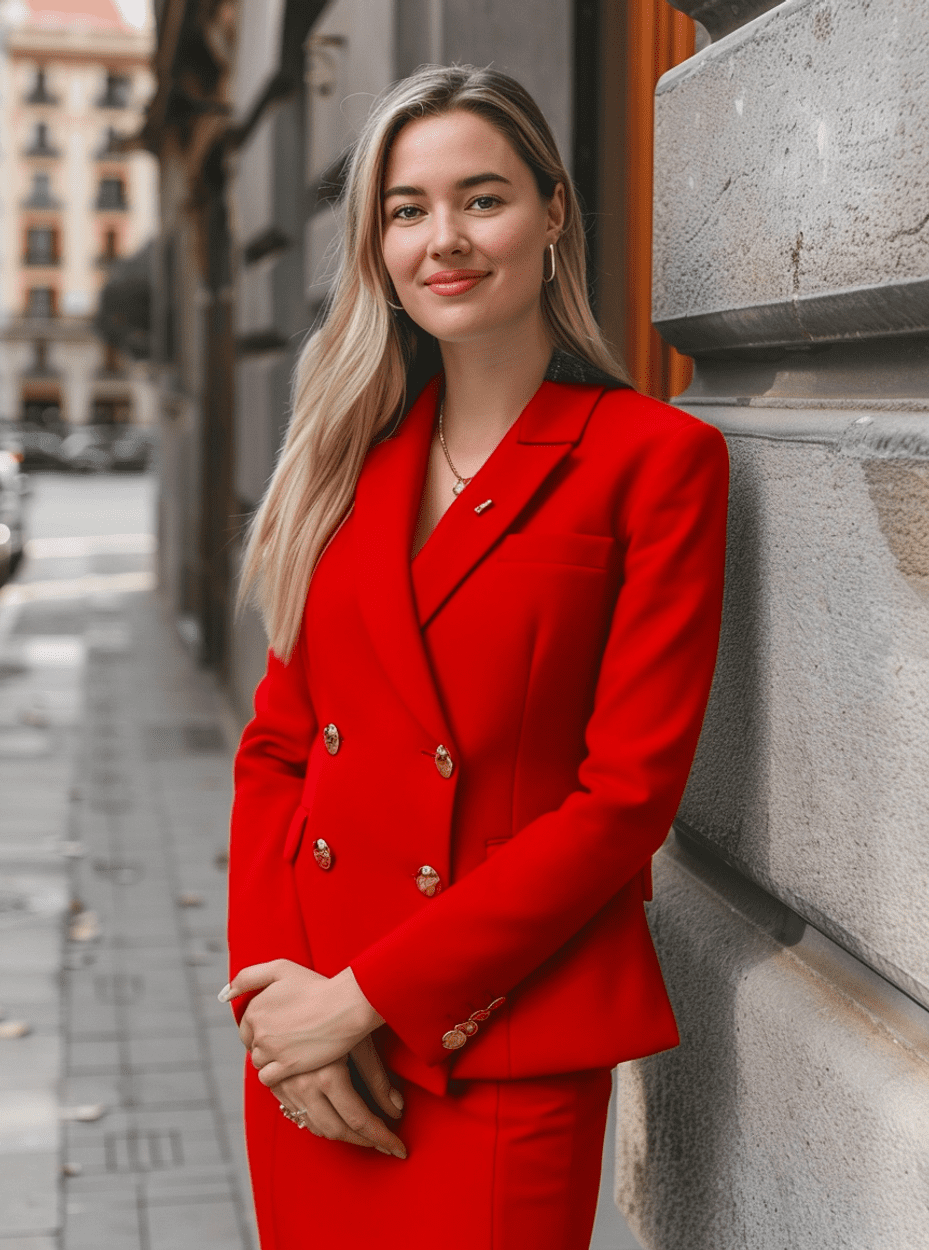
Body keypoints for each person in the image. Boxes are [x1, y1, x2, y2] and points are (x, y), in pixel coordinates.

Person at [219, 64, 728, 1250]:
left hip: (493, 1036)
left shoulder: (654, 461)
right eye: (405, 209)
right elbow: (279, 747)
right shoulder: (347, 458)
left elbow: (623, 801)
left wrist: (364, 998)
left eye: (480, 198)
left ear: (553, 213)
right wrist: (275, 1006)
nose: (441, 238)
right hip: (313, 1040)